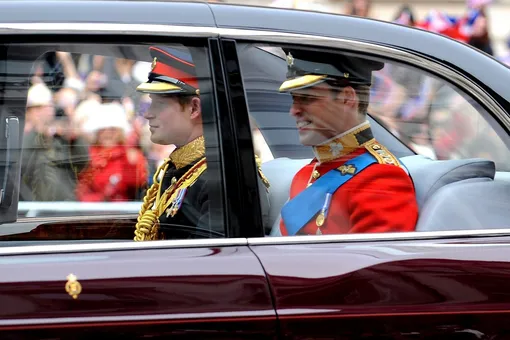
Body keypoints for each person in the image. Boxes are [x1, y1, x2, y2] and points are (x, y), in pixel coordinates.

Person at [133, 45, 270, 241]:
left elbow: (208, 263)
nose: (148, 114)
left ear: (194, 108)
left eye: (160, 104)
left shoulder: (224, 178)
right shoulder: (182, 168)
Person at [276, 49, 419, 236]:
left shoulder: (380, 181)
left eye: (307, 98)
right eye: (294, 100)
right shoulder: (306, 174)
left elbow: (374, 263)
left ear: (347, 98)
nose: (293, 111)